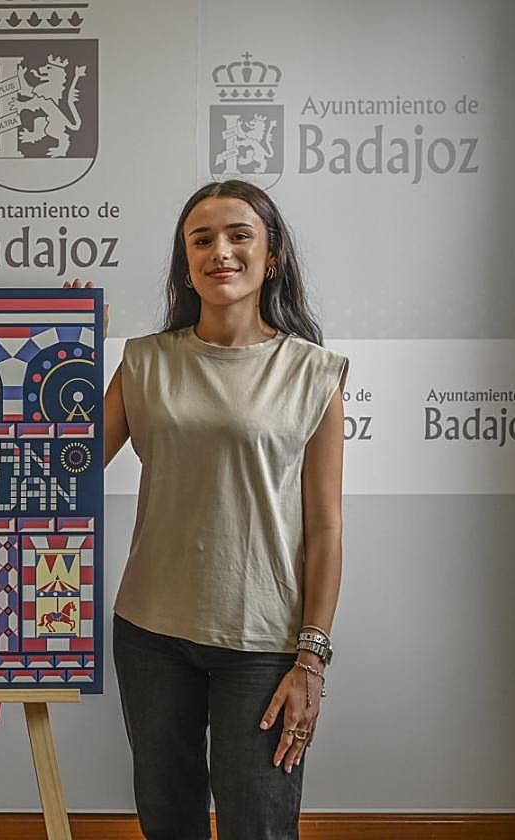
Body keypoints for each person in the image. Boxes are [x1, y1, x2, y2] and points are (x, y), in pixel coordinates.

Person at [98, 180, 347, 840]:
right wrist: (62, 354)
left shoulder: (314, 372)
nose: (221, 251)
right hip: (149, 634)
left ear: (273, 258)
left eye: (240, 235)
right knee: (167, 822)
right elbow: (66, 466)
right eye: (201, 239)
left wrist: (311, 660)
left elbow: (325, 527)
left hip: (265, 644)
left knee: (257, 827)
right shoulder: (144, 362)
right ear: (186, 263)